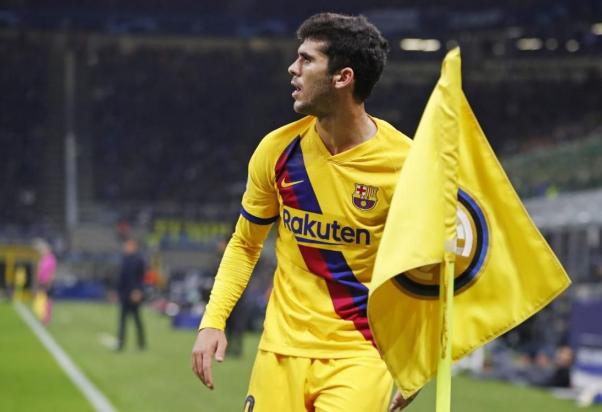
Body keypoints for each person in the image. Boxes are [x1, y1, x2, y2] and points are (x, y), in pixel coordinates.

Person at [191, 13, 414, 412]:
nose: (293, 69)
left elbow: (423, 268)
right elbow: (245, 244)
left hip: (360, 353)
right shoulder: (276, 151)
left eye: (307, 60)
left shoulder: (406, 165)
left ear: (342, 77)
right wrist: (213, 320)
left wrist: (418, 356)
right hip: (280, 350)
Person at [116, 238, 146, 351]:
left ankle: (141, 343)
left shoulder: (139, 260)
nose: (125, 247)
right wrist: (118, 292)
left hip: (134, 294)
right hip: (124, 294)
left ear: (134, 246)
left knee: (137, 320)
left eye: (128, 245)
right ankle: (121, 343)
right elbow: (122, 278)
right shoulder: (125, 259)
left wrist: (138, 291)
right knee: (122, 321)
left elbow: (141, 278)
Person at [34, 239, 57, 325]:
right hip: (42, 282)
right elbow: (40, 271)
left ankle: (47, 318)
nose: (42, 251)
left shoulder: (51, 259)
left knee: (48, 300)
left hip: (47, 282)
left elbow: (52, 272)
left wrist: (49, 283)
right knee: (41, 299)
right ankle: (43, 316)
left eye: (44, 249)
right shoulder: (43, 259)